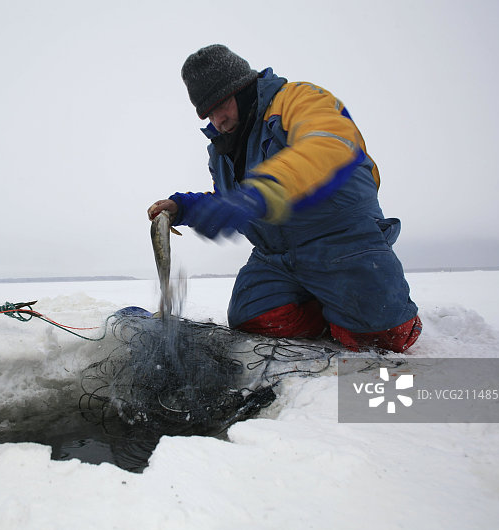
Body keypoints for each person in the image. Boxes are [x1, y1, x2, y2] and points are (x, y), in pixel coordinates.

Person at [147, 44, 421, 353]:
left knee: (386, 335)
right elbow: (230, 201)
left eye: (221, 104)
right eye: (208, 112)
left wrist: (263, 192)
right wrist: (185, 208)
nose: (217, 119)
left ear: (242, 87)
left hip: (341, 238)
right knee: (251, 316)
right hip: (277, 255)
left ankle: (352, 303)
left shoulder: (298, 99)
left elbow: (328, 145)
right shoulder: (221, 150)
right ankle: (328, 303)